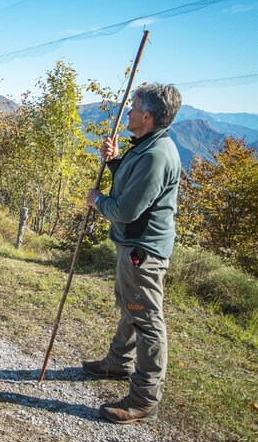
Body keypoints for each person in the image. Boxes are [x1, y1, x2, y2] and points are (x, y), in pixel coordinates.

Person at [83, 83, 182, 424]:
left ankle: (143, 399)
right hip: (136, 245)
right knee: (131, 304)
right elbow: (134, 185)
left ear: (147, 116)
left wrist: (98, 201)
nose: (128, 111)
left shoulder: (156, 154)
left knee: (146, 318)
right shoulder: (145, 147)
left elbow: (126, 209)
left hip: (143, 250)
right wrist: (113, 163)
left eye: (133, 106)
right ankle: (116, 364)